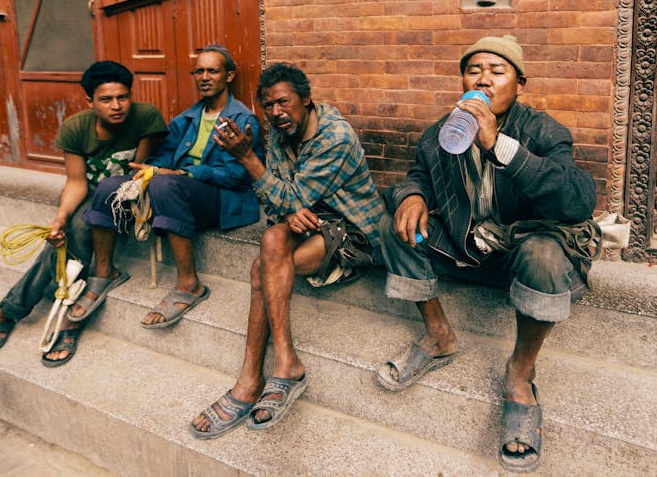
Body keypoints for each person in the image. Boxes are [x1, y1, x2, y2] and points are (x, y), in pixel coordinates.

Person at [374, 36, 598, 473]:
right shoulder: (440, 132)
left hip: (520, 250)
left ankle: (519, 373)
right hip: (465, 247)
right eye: (474, 70)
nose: (484, 80)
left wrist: (500, 145)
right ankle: (439, 335)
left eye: (497, 71)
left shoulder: (544, 131)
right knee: (395, 227)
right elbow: (416, 174)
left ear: (520, 84)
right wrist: (412, 196)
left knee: (546, 255)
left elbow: (577, 201)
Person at [189, 62, 385, 438]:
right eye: (268, 106)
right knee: (272, 240)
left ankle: (249, 381)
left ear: (306, 99)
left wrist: (249, 159)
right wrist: (290, 208)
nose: (276, 113)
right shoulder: (280, 135)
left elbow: (288, 196)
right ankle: (283, 364)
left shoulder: (334, 138)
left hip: (354, 232)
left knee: (260, 270)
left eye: (284, 102)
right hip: (309, 223)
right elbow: (280, 205)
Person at [0, 61, 168, 366]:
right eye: (106, 100)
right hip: (91, 194)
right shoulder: (76, 127)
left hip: (128, 196)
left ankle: (15, 311)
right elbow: (76, 182)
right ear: (89, 102)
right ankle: (55, 310)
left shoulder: (146, 117)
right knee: (69, 231)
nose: (117, 106)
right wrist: (59, 217)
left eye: (123, 97)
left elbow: (136, 175)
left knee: (82, 227)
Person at [78, 45, 263, 329]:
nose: (204, 76)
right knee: (109, 187)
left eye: (212, 70)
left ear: (229, 76)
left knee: (165, 184)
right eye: (199, 70)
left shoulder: (243, 120)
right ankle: (105, 272)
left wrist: (179, 172)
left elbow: (236, 176)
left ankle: (189, 284)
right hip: (176, 188)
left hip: (221, 199)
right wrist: (148, 170)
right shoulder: (186, 118)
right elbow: (164, 154)